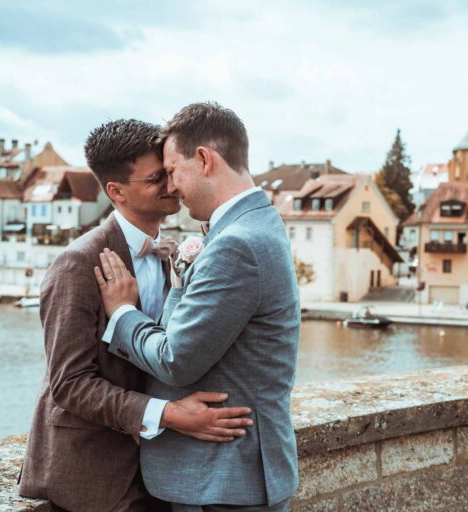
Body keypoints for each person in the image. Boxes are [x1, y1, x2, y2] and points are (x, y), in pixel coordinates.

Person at [20, 119, 252, 512]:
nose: (172, 185)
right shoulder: (77, 264)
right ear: (116, 191)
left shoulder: (173, 253)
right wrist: (171, 415)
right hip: (94, 475)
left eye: (170, 173)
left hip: (164, 470)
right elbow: (70, 384)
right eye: (155, 179)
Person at [95, 103, 300, 511]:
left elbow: (175, 359)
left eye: (172, 171)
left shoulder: (236, 244)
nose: (171, 187)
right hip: (229, 475)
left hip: (224, 478)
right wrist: (177, 287)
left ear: (204, 159)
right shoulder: (256, 224)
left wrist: (123, 313)